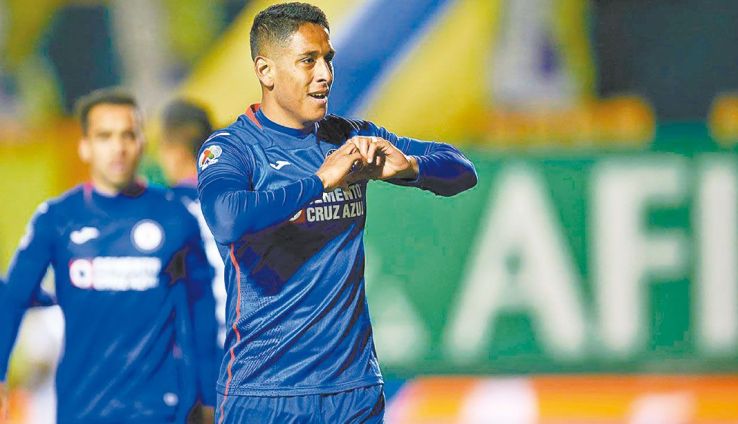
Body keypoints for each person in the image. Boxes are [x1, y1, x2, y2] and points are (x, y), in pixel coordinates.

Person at [197, 2, 478, 422]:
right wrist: (319, 182)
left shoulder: (350, 138)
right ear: (265, 71)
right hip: (265, 391)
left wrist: (409, 167)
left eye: (328, 59)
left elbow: (462, 170)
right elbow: (226, 218)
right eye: (308, 61)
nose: (325, 74)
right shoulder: (233, 149)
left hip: (353, 391)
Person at [0, 88, 218, 423]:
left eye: (128, 135)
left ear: (142, 143)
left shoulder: (176, 217)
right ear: (85, 146)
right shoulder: (57, 219)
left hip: (162, 410)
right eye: (105, 136)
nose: (118, 147)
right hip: (85, 410)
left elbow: (201, 305)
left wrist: (209, 393)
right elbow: (13, 296)